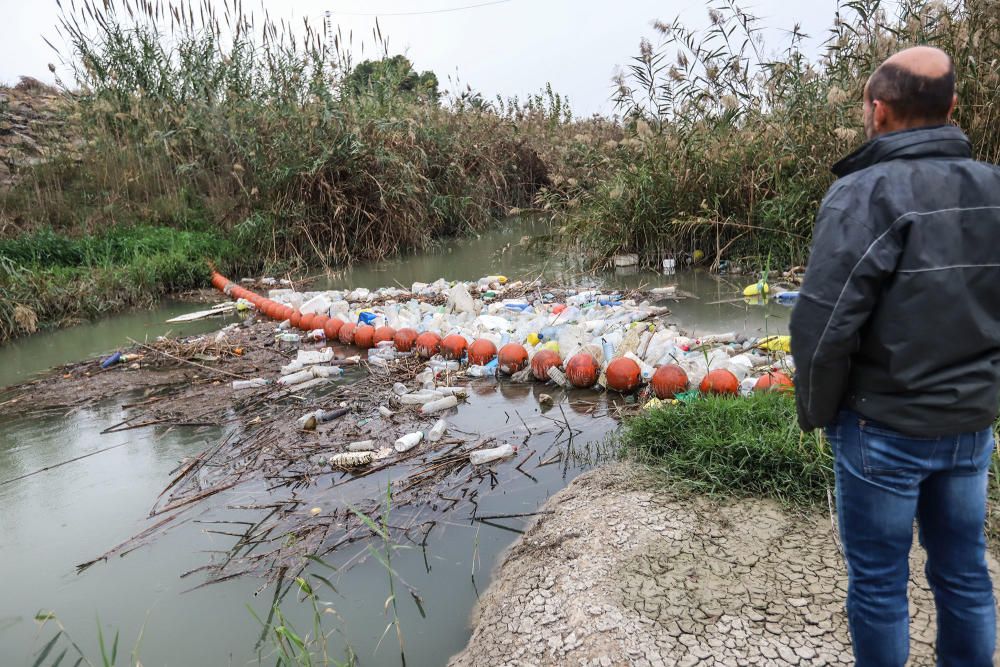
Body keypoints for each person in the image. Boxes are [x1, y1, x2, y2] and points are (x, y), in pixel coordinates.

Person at [790, 46, 1000, 666]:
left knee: (880, 583)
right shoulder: (995, 190)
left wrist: (819, 412)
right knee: (964, 571)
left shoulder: (866, 193)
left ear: (877, 112)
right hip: (969, 425)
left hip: (881, 425)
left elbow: (824, 324)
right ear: (952, 107)